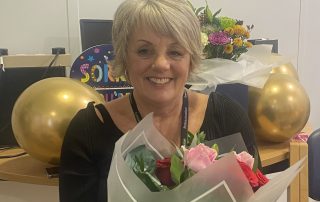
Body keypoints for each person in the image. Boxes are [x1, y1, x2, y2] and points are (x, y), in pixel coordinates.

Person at [59, 0, 260, 201]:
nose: (161, 64)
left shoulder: (228, 118)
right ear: (124, 56)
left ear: (191, 59)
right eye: (144, 51)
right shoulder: (88, 130)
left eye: (175, 52)